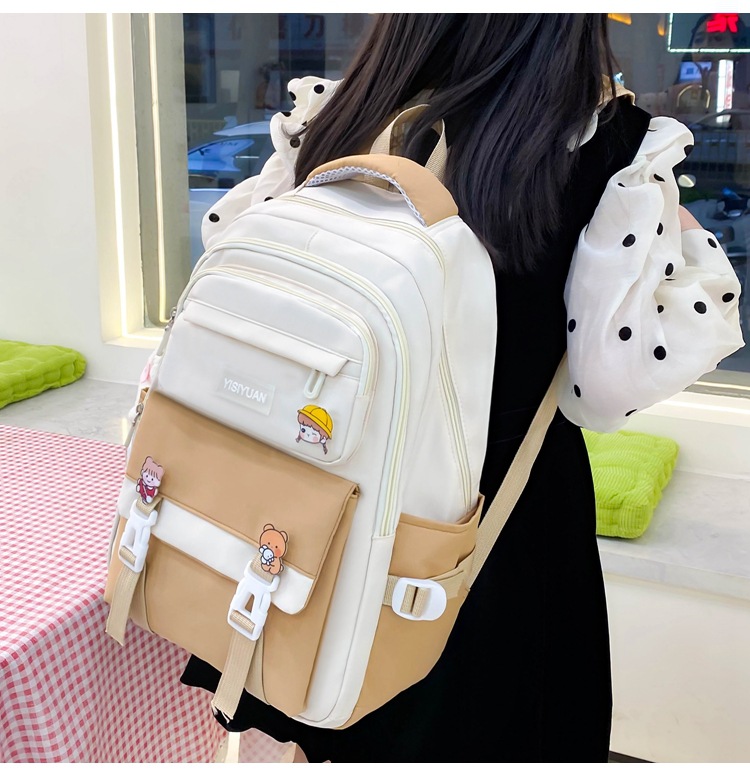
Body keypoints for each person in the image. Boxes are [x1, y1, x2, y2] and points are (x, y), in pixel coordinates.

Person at [178, 13, 731, 762]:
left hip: (312, 506)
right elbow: (605, 391)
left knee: (330, 709)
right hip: (483, 538)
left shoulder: (342, 114)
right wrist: (687, 241)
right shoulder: (607, 148)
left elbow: (236, 256)